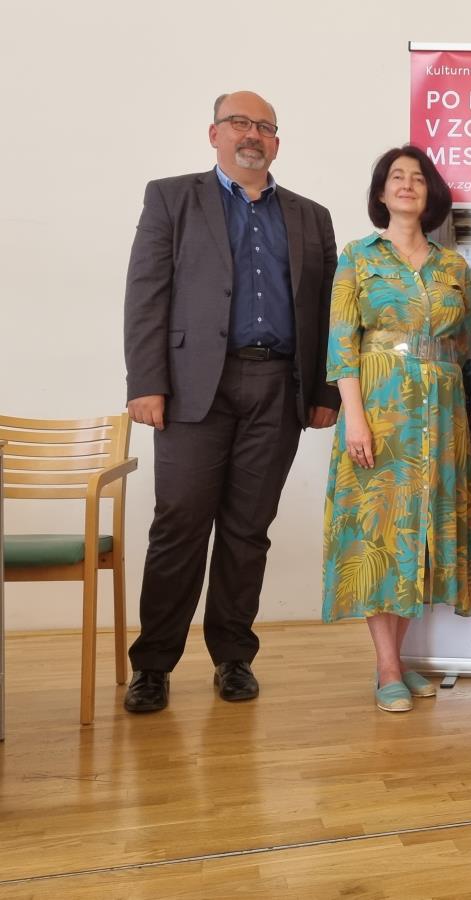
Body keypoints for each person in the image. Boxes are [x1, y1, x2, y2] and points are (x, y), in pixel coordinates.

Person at [122, 92, 339, 712]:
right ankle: (153, 665)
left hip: (277, 388)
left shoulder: (311, 216)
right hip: (193, 389)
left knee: (248, 530)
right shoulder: (171, 198)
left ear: (277, 142)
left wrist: (324, 390)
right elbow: (146, 292)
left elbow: (327, 308)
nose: (253, 134)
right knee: (179, 524)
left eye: (265, 127)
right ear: (213, 133)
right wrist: (146, 382)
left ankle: (234, 657)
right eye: (240, 123)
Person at [322, 146, 471, 712]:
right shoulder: (357, 257)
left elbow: (464, 345)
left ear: (430, 193)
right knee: (379, 532)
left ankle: (398, 657)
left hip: (441, 414)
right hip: (380, 411)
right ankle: (387, 666)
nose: (407, 184)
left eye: (417, 178)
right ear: (382, 193)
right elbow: (342, 344)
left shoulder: (453, 267)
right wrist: (354, 418)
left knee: (420, 533)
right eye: (396, 177)